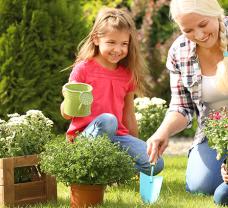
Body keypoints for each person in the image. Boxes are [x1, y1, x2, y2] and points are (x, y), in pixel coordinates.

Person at [60, 7, 164, 176]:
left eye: (124, 44)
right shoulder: (83, 69)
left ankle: (109, 171)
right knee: (108, 121)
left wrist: (136, 148)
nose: (118, 49)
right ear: (96, 39)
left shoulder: (127, 75)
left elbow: (128, 115)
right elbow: (66, 114)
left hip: (117, 138)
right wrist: (68, 98)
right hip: (85, 136)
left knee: (156, 163)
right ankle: (83, 162)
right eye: (111, 42)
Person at [146, 0, 228, 205]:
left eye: (203, 24)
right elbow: (181, 106)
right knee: (201, 186)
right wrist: (162, 132)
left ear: (215, 13)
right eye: (188, 30)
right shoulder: (179, 51)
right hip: (214, 132)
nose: (199, 35)